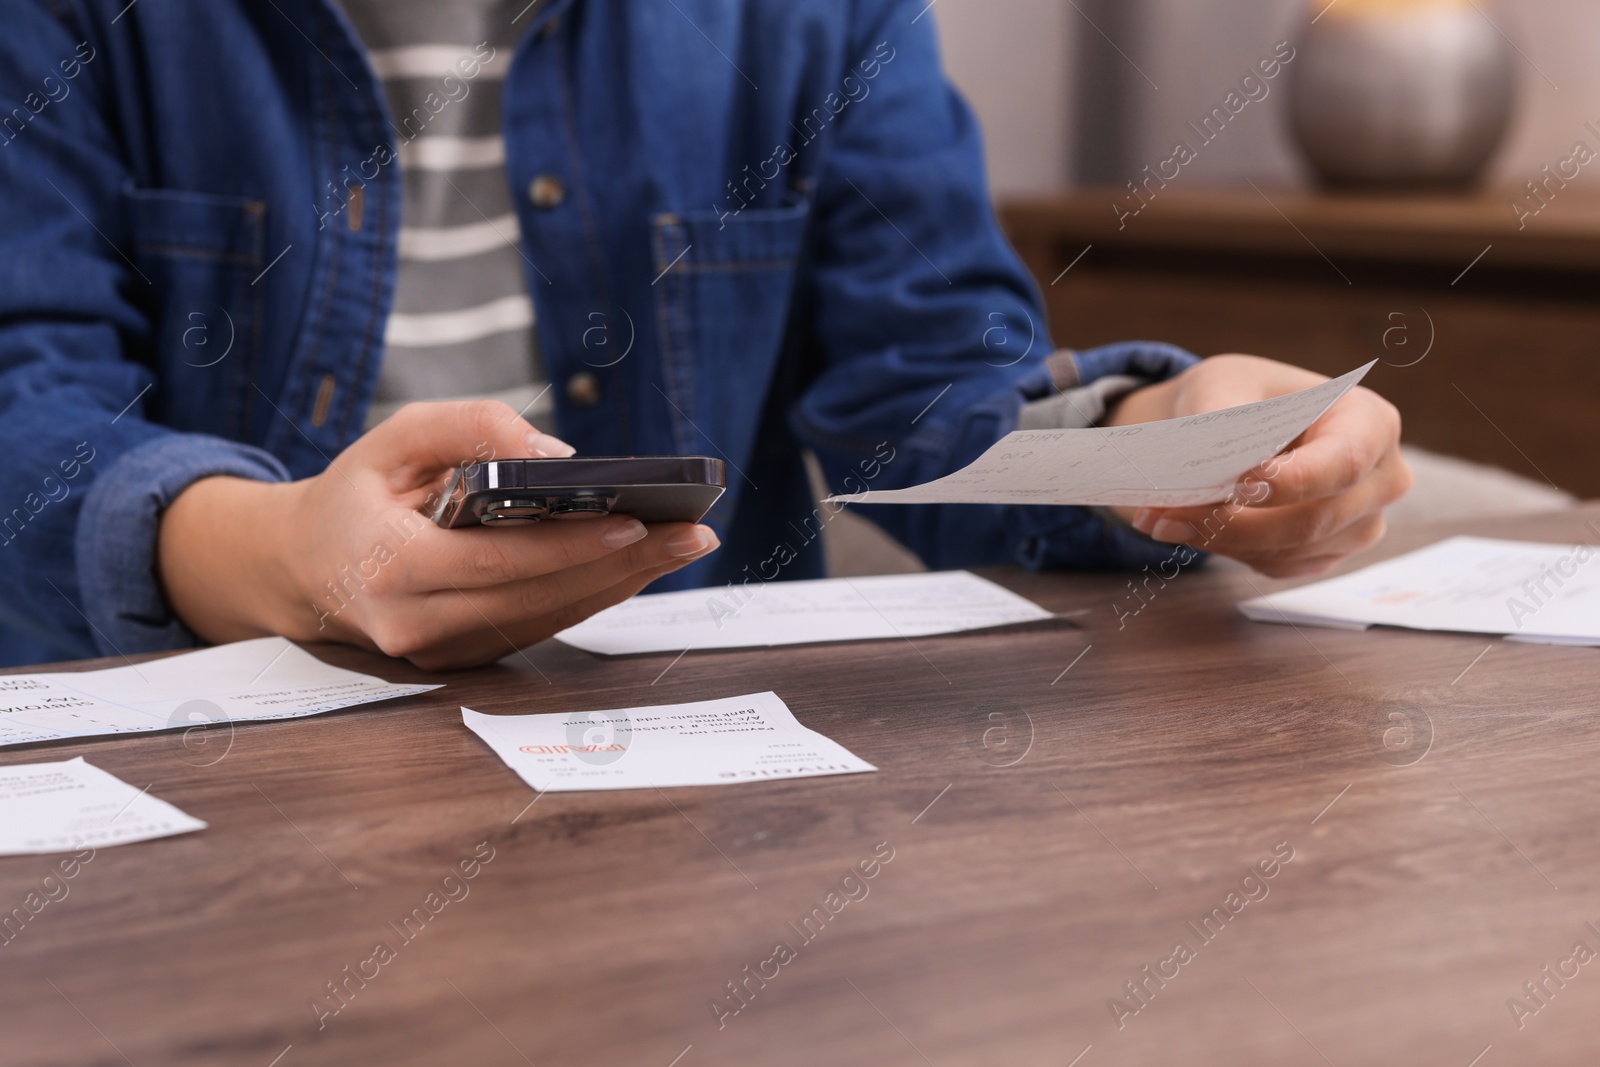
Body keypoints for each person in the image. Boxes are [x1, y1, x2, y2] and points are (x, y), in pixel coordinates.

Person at [0, 0, 1409, 670]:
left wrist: (1176, 445)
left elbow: (928, 416)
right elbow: (27, 423)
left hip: (667, 769)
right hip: (178, 758)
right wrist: (291, 556)